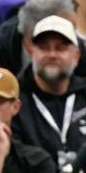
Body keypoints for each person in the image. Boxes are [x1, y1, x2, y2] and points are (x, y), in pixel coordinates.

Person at [13, 14, 86, 170]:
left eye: (60, 48)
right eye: (44, 47)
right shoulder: (12, 100)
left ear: (76, 55)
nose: (52, 54)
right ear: (32, 52)